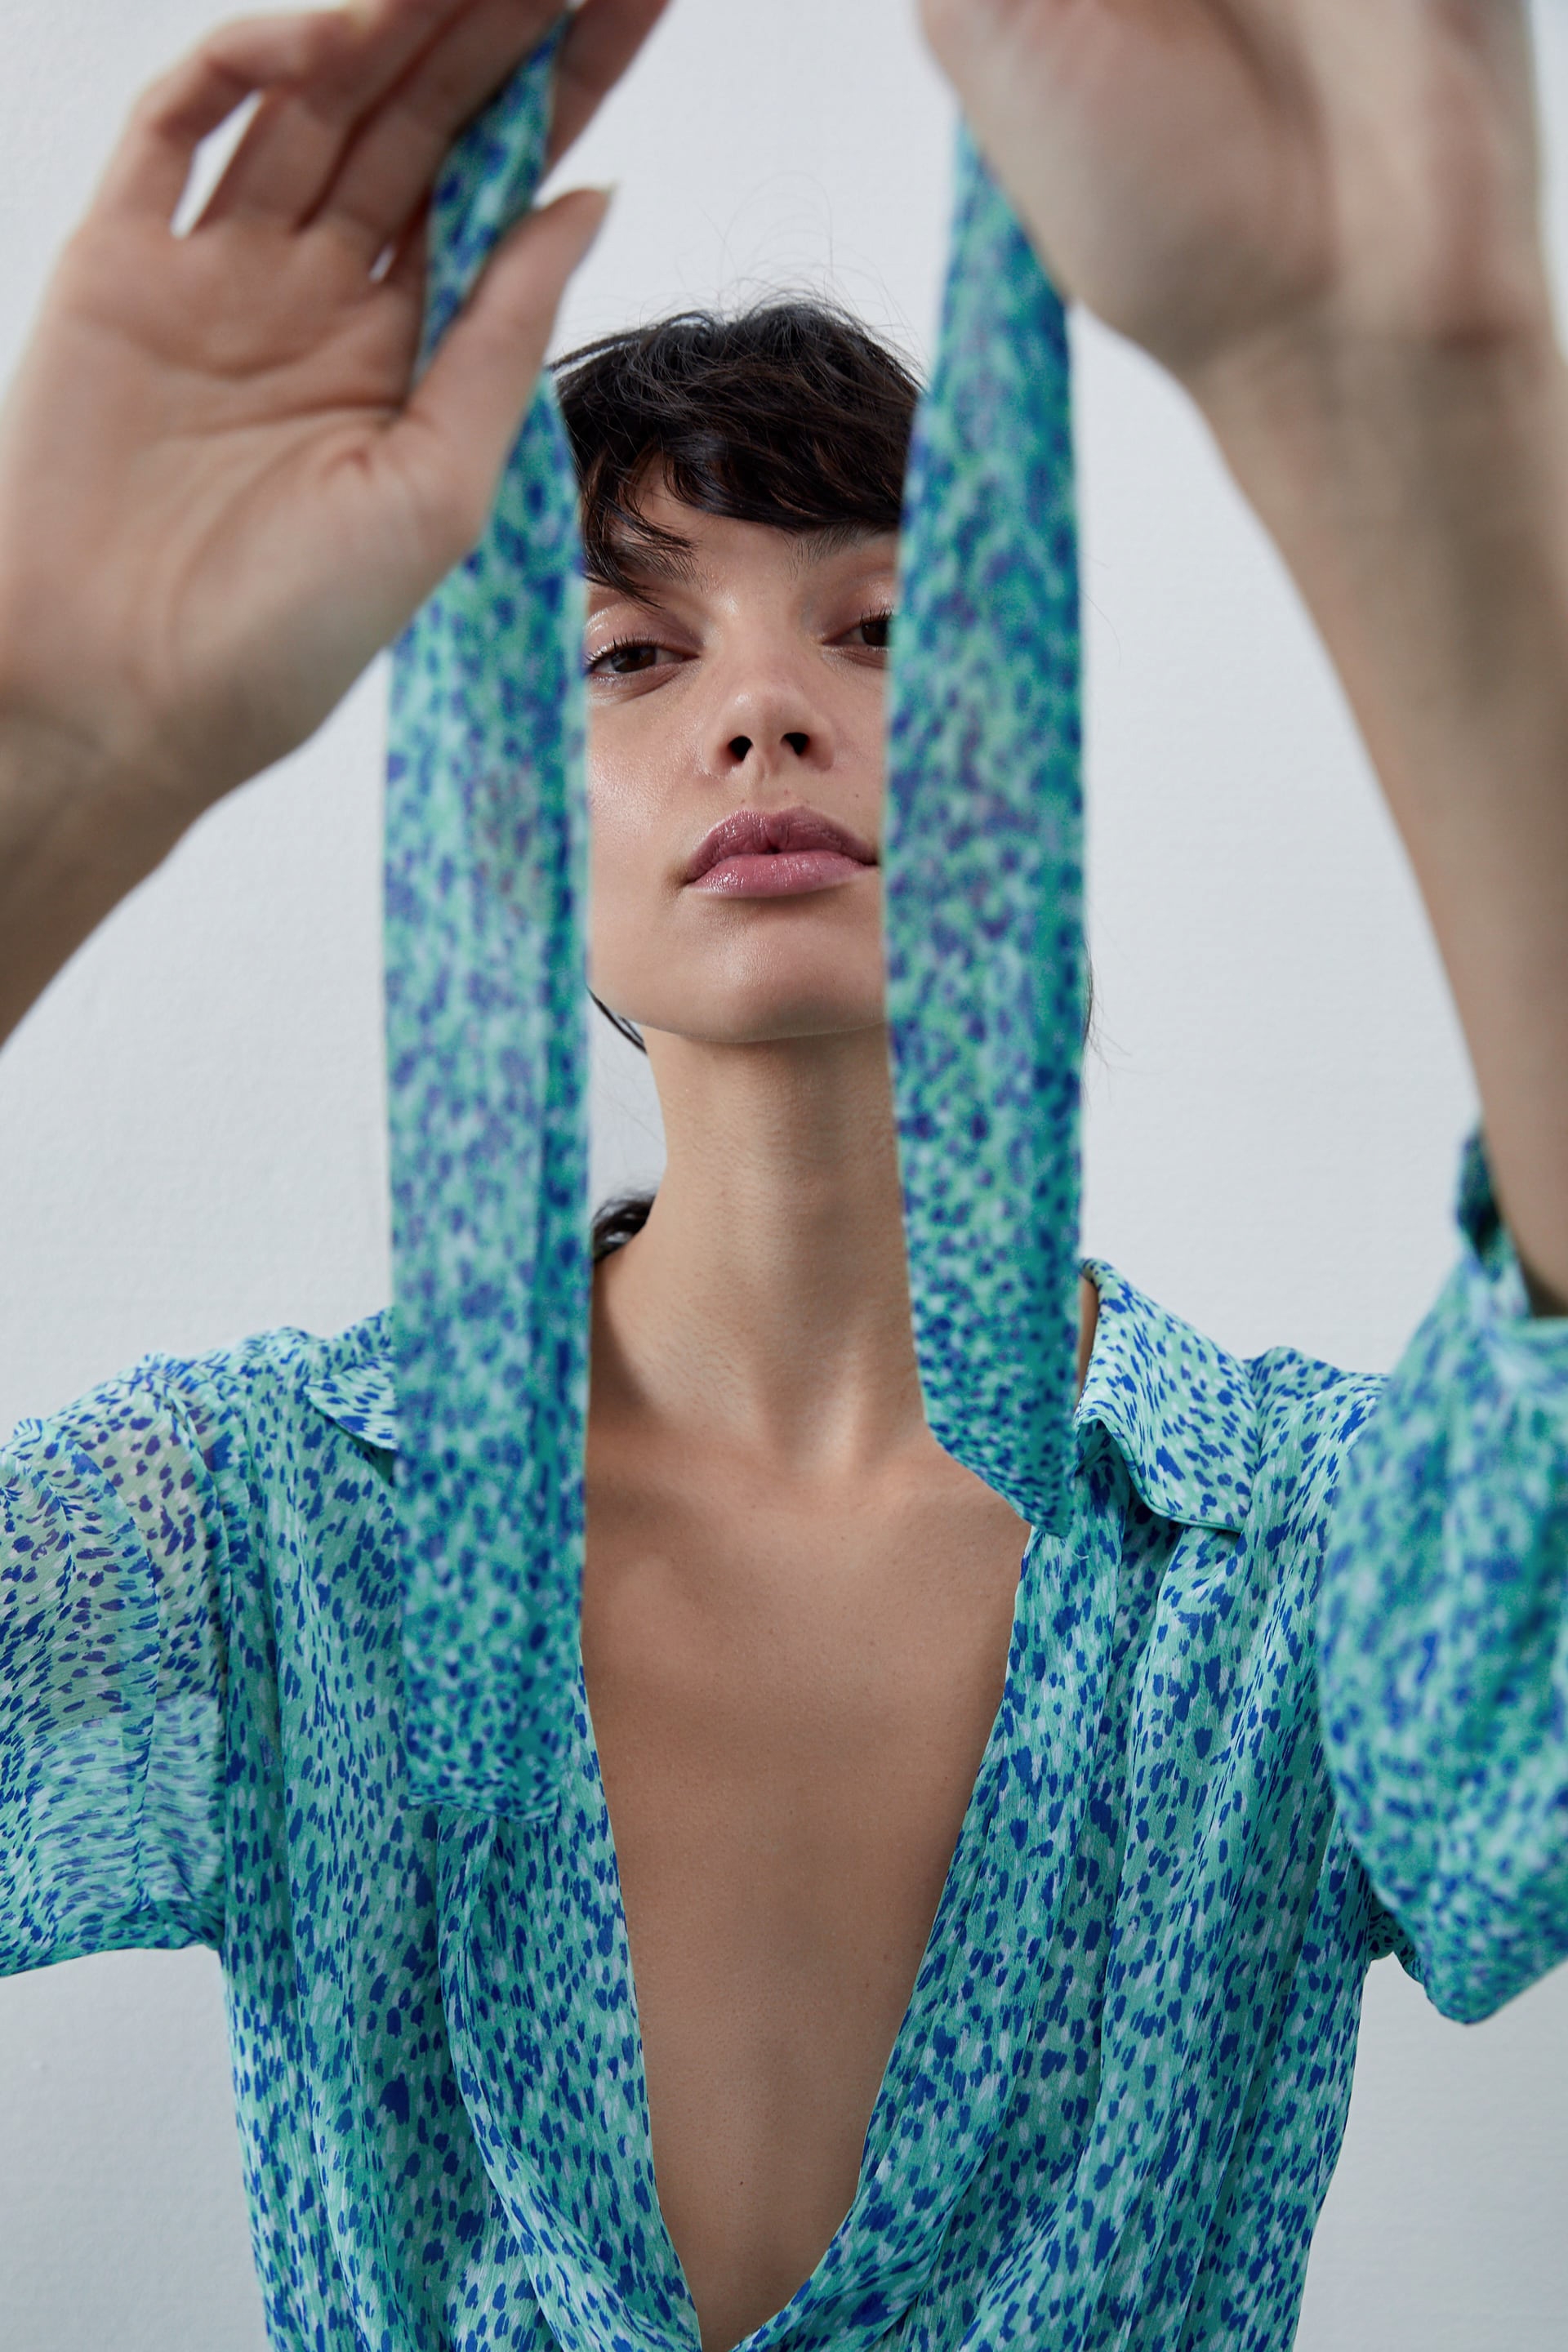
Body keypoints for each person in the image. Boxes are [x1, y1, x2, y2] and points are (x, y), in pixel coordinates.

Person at [1, 3, 1566, 2350]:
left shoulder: (1306, 1560)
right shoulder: (271, 1527)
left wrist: (1442, 452)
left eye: (887, 627)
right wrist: (54, 744)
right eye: (630, 653)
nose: (764, 709)